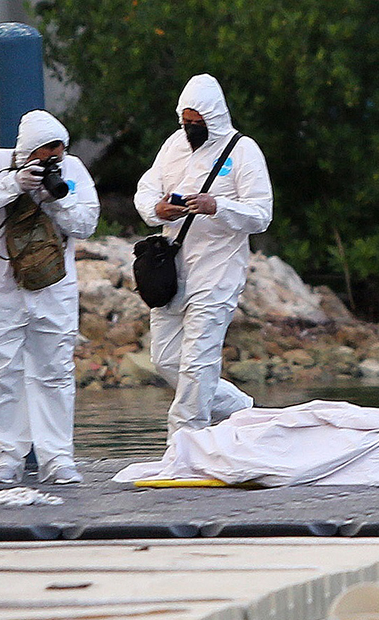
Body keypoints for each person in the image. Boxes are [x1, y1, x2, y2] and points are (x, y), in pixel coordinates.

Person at [0, 110, 99, 484]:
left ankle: (58, 458)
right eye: (47, 150)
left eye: (60, 149)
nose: (55, 157)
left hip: (54, 287)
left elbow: (87, 224)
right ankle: (5, 458)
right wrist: (14, 184)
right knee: (0, 373)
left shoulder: (74, 171)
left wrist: (54, 200)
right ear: (28, 149)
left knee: (55, 372)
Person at [134, 74, 273, 441]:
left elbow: (261, 214)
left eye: (198, 124)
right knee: (165, 358)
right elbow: (146, 189)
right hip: (172, 268)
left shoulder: (243, 151)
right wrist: (157, 209)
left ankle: (185, 443)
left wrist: (217, 206)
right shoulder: (173, 146)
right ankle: (241, 409)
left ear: (214, 117)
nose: (191, 129)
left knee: (198, 360)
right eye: (186, 122)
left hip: (218, 269)